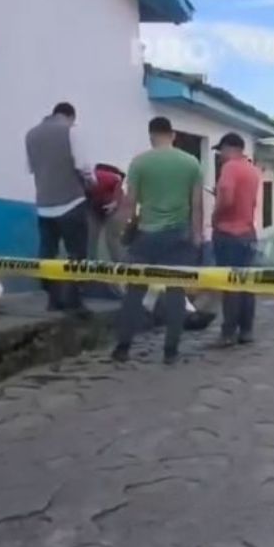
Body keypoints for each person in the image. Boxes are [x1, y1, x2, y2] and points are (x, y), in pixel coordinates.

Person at [112, 117, 204, 365]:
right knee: (176, 291)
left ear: (151, 135)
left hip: (147, 235)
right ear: (173, 135)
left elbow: (130, 203)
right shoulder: (191, 163)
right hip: (179, 235)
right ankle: (170, 351)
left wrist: (120, 233)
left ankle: (123, 347)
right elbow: (196, 205)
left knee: (135, 291)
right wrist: (197, 235)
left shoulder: (140, 163)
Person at [25, 102, 95, 316]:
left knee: (47, 252)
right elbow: (82, 166)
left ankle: (52, 299)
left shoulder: (31, 135)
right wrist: (92, 182)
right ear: (70, 116)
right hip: (71, 201)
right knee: (77, 253)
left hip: (44, 204)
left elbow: (31, 168)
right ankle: (73, 299)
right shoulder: (70, 131)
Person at [209, 133, 260, 347]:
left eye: (221, 150)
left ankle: (228, 333)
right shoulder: (252, 170)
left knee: (229, 285)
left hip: (228, 233)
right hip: (248, 233)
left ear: (230, 148)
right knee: (246, 283)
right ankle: (246, 330)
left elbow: (228, 199)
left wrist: (215, 215)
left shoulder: (229, 168)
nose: (219, 155)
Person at [86, 162, 126, 263]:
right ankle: (119, 267)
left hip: (100, 203)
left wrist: (115, 202)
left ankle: (91, 266)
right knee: (109, 240)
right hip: (98, 204)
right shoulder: (112, 178)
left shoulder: (104, 176)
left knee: (96, 239)